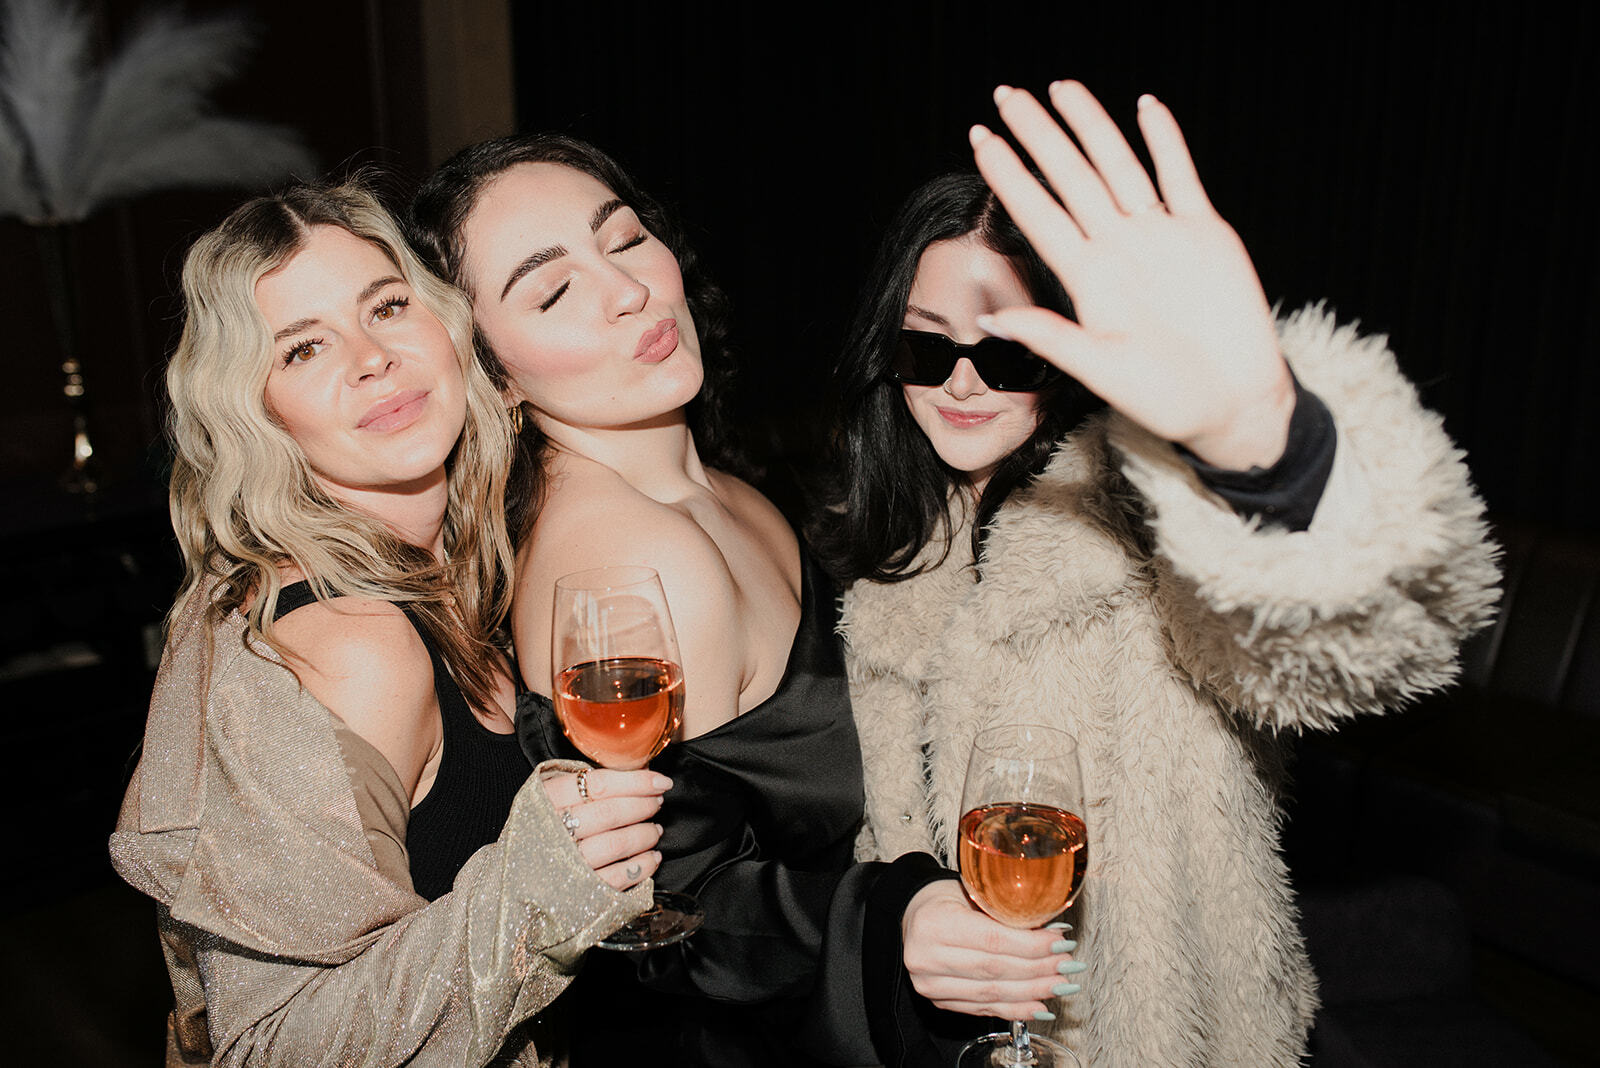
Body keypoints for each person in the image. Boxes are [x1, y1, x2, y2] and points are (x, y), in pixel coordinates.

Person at [813, 82, 1501, 1067]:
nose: (961, 381)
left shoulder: (1158, 536)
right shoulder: (884, 562)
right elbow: (891, 833)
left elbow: (1375, 643)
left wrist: (1264, 451)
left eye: (1007, 351)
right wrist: (908, 902)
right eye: (927, 347)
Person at [408, 135, 1077, 1066]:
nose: (627, 289)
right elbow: (667, 916)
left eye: (626, 239)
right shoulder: (636, 555)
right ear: (490, 371)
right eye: (553, 290)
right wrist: (894, 920)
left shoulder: (719, 491)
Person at [108, 179, 672, 1067]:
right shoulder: (349, 645)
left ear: (450, 328)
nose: (370, 358)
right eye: (301, 350)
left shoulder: (458, 570)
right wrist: (537, 889)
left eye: (389, 306)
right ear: (259, 415)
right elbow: (270, 1045)